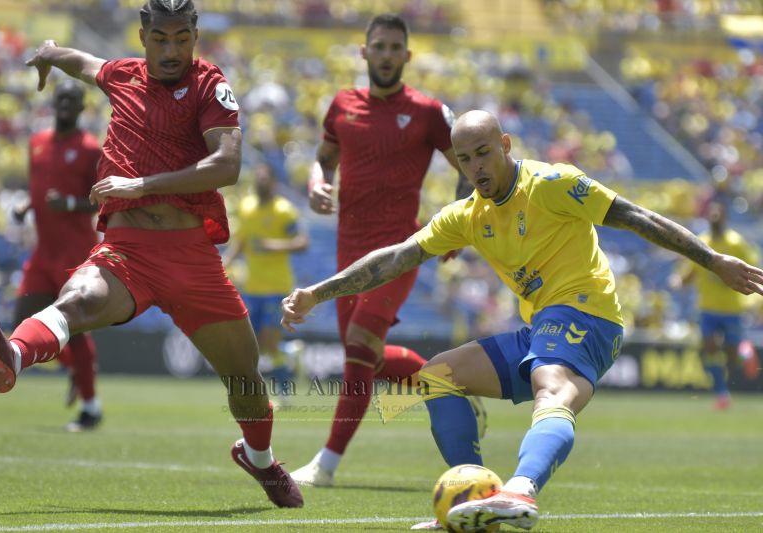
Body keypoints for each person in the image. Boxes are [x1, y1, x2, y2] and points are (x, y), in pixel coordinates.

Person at [282, 110, 763, 530]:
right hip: (540, 330)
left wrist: (712, 259)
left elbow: (636, 216)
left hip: (589, 314)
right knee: (436, 377)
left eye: (484, 153)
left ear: (506, 145)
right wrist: (318, 293)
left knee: (550, 388)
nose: (475, 168)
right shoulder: (466, 215)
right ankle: (475, 499)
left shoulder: (553, 184)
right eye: (464, 159)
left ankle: (522, 489)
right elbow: (396, 258)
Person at [0, 0, 302, 508]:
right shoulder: (123, 75)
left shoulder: (211, 85)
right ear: (142, 37)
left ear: (195, 33)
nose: (172, 50)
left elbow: (227, 164)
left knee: (244, 378)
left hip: (190, 254)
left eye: (182, 38)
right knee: (77, 298)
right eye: (161, 39)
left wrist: (139, 185)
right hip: (128, 250)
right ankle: (11, 355)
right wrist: (51, 53)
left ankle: (258, 457)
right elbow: (86, 64)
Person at [290, 12, 472, 488]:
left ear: (407, 56)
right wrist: (316, 183)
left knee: (358, 346)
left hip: (400, 251)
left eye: (396, 48)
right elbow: (323, 160)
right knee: (367, 359)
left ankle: (325, 465)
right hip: (347, 252)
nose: (387, 56)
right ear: (364, 52)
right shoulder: (342, 106)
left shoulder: (429, 112)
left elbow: (467, 166)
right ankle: (446, 391)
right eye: (380, 47)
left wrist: (455, 222)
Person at [12, 79, 104, 432]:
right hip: (43, 252)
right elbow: (37, 188)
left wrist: (67, 204)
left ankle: (91, 408)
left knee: (74, 329)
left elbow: (100, 199)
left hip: (75, 255)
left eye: (72, 99)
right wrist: (25, 205)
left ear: (81, 108)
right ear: (54, 103)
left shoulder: (89, 149)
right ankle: (77, 370)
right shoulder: (37, 143)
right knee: (21, 321)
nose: (65, 103)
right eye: (61, 98)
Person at [224, 162, 309, 402]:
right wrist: (226, 261)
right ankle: (289, 354)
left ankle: (285, 394)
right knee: (255, 345)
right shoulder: (246, 207)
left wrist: (273, 245)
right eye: (257, 178)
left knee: (268, 341)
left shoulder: (284, 210)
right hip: (251, 287)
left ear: (272, 181)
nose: (261, 182)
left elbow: (303, 242)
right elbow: (241, 241)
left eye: (265, 178)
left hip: (277, 287)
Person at [669, 200, 760, 410]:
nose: (714, 218)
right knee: (709, 348)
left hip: (731, 308)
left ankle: (743, 350)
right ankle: (722, 393)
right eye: (712, 214)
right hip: (708, 308)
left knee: (730, 354)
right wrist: (679, 281)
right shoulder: (702, 242)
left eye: (718, 214)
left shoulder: (736, 243)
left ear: (724, 218)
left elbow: (752, 266)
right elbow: (690, 271)